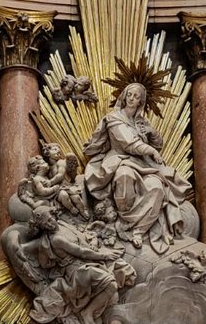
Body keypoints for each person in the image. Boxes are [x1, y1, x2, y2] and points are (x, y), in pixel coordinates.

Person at [82, 82, 193, 255]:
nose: (131, 99)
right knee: (124, 176)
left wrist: (151, 132)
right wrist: (151, 151)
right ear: (124, 96)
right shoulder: (114, 118)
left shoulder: (142, 122)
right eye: (129, 94)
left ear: (141, 101)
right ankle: (123, 221)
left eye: (136, 96)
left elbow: (158, 144)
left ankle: (139, 230)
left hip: (143, 164)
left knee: (157, 187)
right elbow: (128, 144)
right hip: (120, 160)